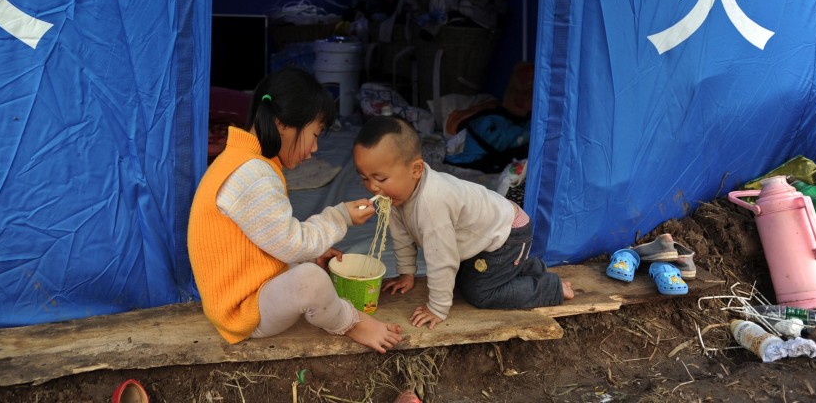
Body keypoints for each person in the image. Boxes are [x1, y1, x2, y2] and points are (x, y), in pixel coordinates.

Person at [187, 67, 404, 353]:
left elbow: (270, 235)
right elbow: (291, 244)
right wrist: (340, 216)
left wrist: (311, 253)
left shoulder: (243, 160)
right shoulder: (252, 174)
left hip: (247, 289)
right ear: (282, 124)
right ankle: (351, 323)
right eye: (314, 134)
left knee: (307, 265)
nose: (314, 148)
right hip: (242, 311)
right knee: (311, 282)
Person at [352, 115, 573, 329]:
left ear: (416, 169)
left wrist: (437, 308)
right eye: (364, 178)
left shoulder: (432, 204)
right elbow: (401, 237)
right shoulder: (397, 195)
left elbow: (442, 259)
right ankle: (523, 266)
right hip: (484, 236)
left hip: (508, 234)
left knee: (479, 292)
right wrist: (406, 274)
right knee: (460, 280)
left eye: (380, 179)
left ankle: (551, 287)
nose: (372, 187)